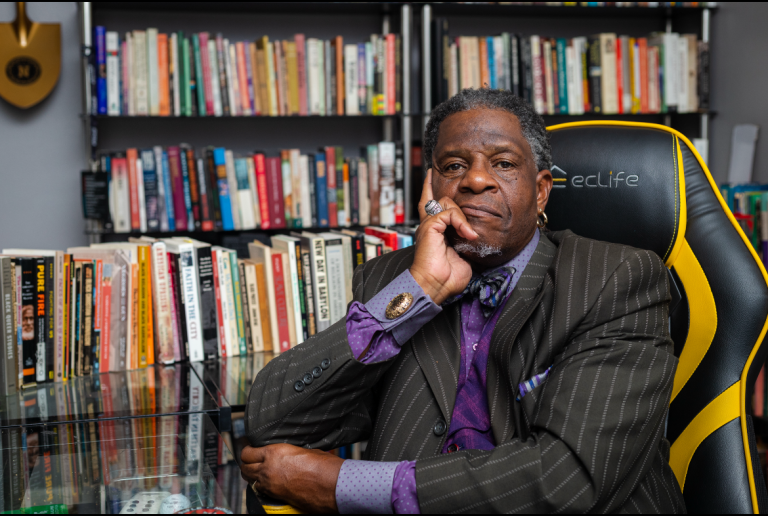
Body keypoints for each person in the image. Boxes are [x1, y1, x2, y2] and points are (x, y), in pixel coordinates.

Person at [240, 88, 685, 514]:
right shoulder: (390, 279)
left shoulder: (616, 279)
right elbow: (271, 423)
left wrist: (344, 485)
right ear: (431, 190)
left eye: (504, 163)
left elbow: (567, 479)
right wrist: (420, 290)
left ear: (542, 191)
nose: (474, 179)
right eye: (453, 166)